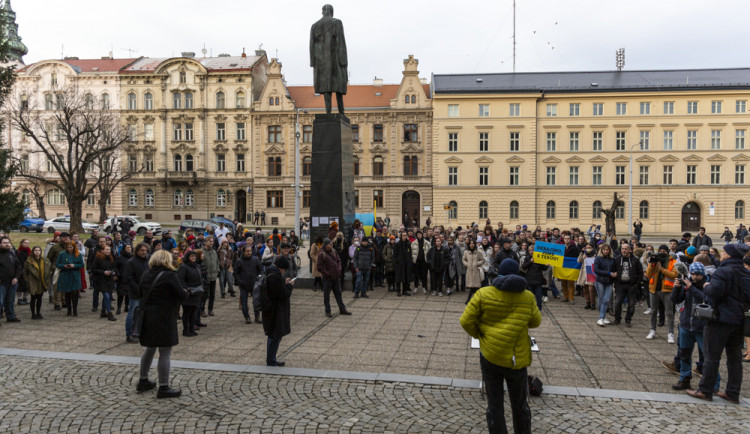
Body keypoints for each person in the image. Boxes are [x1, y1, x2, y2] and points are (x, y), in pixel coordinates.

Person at [460, 260, 542, 434]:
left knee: (494, 404)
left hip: (491, 355)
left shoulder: (484, 293)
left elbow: (465, 320)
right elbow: (536, 321)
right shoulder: (527, 296)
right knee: (520, 404)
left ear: (498, 273)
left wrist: (481, 335)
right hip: (516, 357)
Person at [687, 243, 750, 404]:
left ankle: (705, 390)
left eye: (724, 252)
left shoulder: (723, 270)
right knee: (734, 358)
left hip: (720, 319)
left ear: (729, 255)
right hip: (738, 321)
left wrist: (706, 286)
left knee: (712, 357)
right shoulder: (744, 271)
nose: (721, 254)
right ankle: (732, 392)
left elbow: (715, 292)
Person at [136, 250, 188, 398]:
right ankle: (164, 387)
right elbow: (181, 295)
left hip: (147, 316)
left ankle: (143, 379)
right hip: (164, 317)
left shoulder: (146, 274)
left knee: (150, 349)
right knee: (165, 352)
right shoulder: (170, 275)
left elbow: (140, 292)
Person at [669, 262, 721, 391]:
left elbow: (706, 300)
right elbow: (675, 300)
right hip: (686, 325)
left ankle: (714, 384)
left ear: (702, 274)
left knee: (708, 357)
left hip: (703, 327)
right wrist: (676, 287)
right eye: (692, 273)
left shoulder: (708, 285)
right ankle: (684, 379)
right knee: (684, 354)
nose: (694, 276)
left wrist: (691, 287)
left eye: (697, 274)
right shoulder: (687, 283)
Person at [262, 256, 294, 367]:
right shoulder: (275, 277)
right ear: (281, 267)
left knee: (275, 335)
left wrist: (284, 283)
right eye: (284, 269)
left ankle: (272, 359)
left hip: (273, 310)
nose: (284, 272)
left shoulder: (272, 273)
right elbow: (282, 294)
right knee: (274, 336)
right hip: (275, 311)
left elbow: (278, 289)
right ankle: (270, 360)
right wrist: (289, 287)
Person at [646, 245, 677, 343]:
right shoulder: (654, 261)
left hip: (667, 290)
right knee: (654, 311)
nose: (662, 253)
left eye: (664, 251)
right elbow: (648, 275)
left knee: (669, 312)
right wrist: (651, 264)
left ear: (667, 252)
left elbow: (674, 275)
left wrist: (661, 269)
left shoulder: (673, 262)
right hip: (654, 290)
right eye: (660, 251)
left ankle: (670, 333)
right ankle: (652, 330)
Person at [317, 238, 351, 317]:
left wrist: (339, 269)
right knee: (327, 296)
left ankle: (342, 309)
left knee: (338, 294)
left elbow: (338, 260)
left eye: (332, 243)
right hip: (327, 278)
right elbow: (319, 267)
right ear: (326, 245)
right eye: (330, 244)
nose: (332, 245)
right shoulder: (321, 254)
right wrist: (327, 273)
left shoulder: (334, 251)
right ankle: (328, 311)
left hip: (336, 277)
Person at [612, 243, 644, 327]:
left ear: (630, 250)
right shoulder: (617, 259)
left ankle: (628, 319)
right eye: (622, 249)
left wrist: (636, 283)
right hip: (620, 285)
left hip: (631, 285)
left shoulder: (635, 260)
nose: (624, 250)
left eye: (626, 249)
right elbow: (613, 270)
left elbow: (640, 273)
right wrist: (616, 282)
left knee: (631, 304)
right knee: (618, 303)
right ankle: (617, 319)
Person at [124, 243, 150, 343]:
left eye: (145, 251)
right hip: (135, 293)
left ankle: (139, 332)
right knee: (132, 314)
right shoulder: (131, 262)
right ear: (137, 251)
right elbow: (128, 278)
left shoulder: (147, 262)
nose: (144, 252)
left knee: (143, 314)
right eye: (142, 250)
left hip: (146, 293)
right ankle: (129, 334)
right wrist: (138, 289)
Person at [233, 244, 262, 324]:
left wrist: (258, 280)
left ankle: (257, 316)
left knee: (256, 301)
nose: (249, 253)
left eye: (250, 251)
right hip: (243, 285)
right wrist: (240, 282)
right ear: (243, 252)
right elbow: (236, 273)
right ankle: (247, 316)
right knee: (244, 302)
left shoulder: (255, 259)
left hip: (254, 284)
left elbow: (260, 270)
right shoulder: (239, 261)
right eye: (247, 251)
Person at [56, 241, 85, 317]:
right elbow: (57, 264)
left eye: (71, 247)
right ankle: (69, 310)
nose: (69, 249)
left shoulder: (77, 254)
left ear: (74, 247)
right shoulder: (62, 254)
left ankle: (75, 310)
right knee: (67, 293)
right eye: (68, 247)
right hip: (65, 275)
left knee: (75, 292)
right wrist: (64, 266)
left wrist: (74, 265)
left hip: (75, 275)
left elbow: (81, 264)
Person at [23, 246, 51, 320]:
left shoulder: (44, 260)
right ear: (33, 251)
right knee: (33, 298)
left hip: (41, 282)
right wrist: (27, 281)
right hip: (33, 282)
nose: (37, 252)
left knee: (39, 298)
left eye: (39, 250)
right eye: (35, 250)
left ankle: (38, 312)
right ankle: (33, 313)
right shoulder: (29, 261)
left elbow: (48, 270)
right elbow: (24, 272)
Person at [91, 245, 118, 321]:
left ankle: (103, 311)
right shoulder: (98, 258)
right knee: (106, 296)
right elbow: (93, 268)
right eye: (106, 249)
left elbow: (114, 267)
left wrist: (113, 272)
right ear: (102, 250)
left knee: (108, 296)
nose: (108, 251)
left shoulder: (111, 258)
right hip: (100, 280)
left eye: (109, 249)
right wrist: (103, 272)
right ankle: (109, 313)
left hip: (109, 280)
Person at [463, 239, 484, 303]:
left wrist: (477, 264)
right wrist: (467, 264)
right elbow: (464, 259)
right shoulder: (466, 252)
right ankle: (475, 299)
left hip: (476, 271)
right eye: (470, 243)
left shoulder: (478, 252)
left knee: (474, 286)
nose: (472, 245)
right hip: (469, 271)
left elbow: (482, 260)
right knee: (472, 287)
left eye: (473, 243)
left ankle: (469, 299)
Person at [202, 237, 219, 317]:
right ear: (205, 242)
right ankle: (202, 309)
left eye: (212, 241)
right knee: (205, 294)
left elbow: (217, 261)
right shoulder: (202, 252)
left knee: (212, 294)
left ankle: (210, 309)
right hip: (206, 276)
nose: (211, 243)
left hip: (213, 276)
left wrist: (217, 270)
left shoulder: (214, 251)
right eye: (210, 241)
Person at [393, 232, 413, 297]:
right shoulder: (397, 244)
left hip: (406, 263)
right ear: (401, 236)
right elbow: (394, 255)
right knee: (398, 278)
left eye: (405, 235)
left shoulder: (408, 244)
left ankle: (404, 290)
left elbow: (410, 253)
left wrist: (410, 261)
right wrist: (396, 261)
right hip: (399, 264)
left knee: (406, 277)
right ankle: (398, 291)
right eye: (403, 235)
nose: (404, 237)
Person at [115, 243, 133, 315]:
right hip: (121, 279)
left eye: (130, 248)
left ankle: (126, 306)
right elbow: (115, 267)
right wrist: (117, 274)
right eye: (127, 248)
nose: (129, 249)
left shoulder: (132, 258)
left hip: (129, 279)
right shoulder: (120, 258)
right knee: (120, 294)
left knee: (128, 294)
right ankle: (119, 307)